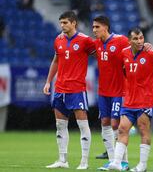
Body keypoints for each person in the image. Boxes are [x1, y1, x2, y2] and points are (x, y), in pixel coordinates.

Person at [109, 27, 153, 172]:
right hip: (129, 100)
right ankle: (116, 162)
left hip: (145, 101)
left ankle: (142, 165)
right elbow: (123, 71)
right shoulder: (124, 53)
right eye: (135, 38)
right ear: (129, 41)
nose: (139, 41)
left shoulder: (150, 53)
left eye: (141, 38)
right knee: (122, 129)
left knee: (143, 131)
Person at [43, 11, 95, 169]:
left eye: (65, 22)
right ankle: (62, 160)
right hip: (60, 88)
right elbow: (56, 61)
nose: (62, 26)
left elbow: (101, 52)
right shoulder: (58, 40)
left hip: (77, 89)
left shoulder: (85, 40)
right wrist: (48, 82)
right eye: (61, 23)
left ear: (74, 23)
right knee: (60, 125)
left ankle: (84, 161)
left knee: (82, 125)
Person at [92, 16, 130, 171]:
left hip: (118, 90)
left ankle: (123, 161)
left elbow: (136, 50)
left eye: (97, 27)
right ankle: (113, 160)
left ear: (105, 27)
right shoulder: (96, 44)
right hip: (103, 91)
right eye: (93, 27)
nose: (94, 30)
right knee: (105, 123)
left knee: (116, 124)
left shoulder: (121, 41)